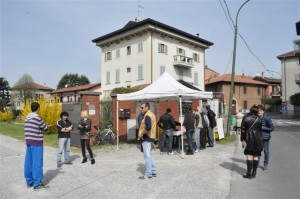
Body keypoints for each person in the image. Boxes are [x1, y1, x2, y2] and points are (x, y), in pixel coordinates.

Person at [24, 102, 49, 190]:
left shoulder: (27, 118)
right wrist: (47, 126)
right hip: (37, 142)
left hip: (29, 142)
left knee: (29, 162)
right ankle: (37, 184)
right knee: (37, 163)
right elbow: (45, 128)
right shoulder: (38, 118)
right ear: (38, 108)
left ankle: (29, 182)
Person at [240, 105, 263, 179]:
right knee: (256, 155)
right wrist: (260, 138)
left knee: (249, 155)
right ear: (256, 111)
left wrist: (242, 138)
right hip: (257, 137)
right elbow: (260, 130)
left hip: (248, 137)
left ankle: (248, 173)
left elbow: (243, 129)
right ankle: (254, 173)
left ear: (250, 110)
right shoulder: (259, 118)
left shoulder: (246, 117)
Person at [138, 102, 157, 179]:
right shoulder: (151, 114)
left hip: (147, 138)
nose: (141, 109)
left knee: (147, 156)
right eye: (141, 107)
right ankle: (152, 171)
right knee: (150, 155)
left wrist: (142, 133)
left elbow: (148, 127)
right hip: (151, 137)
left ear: (147, 107)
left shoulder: (147, 115)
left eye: (142, 107)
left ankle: (148, 173)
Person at [257, 104, 274, 171]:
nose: (259, 112)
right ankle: (257, 163)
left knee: (266, 152)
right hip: (257, 137)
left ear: (263, 111)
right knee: (257, 151)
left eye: (260, 111)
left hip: (265, 138)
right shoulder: (256, 118)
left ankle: (265, 164)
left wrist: (263, 128)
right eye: (258, 110)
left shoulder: (267, 118)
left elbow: (272, 128)